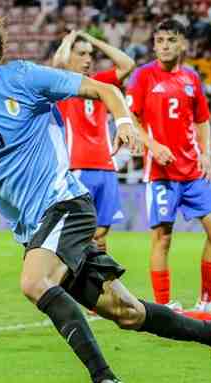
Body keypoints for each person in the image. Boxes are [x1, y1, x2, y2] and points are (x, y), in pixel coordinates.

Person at [0, 9, 211, 383]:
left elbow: (105, 89)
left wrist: (123, 123)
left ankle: (106, 379)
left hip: (65, 203)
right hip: (32, 226)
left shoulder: (22, 78)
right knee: (128, 313)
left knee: (34, 281)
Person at [126, 19, 211, 313]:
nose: (165, 46)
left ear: (182, 44)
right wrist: (153, 146)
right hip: (161, 174)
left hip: (194, 170)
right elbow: (131, 120)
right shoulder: (144, 76)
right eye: (159, 41)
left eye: (171, 40)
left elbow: (202, 120)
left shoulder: (192, 78)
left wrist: (206, 153)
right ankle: (163, 307)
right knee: (163, 237)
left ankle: (206, 301)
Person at [52, 30, 135, 252]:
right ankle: (70, 282)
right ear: (69, 56)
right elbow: (58, 62)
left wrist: (94, 41)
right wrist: (68, 39)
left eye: (90, 55)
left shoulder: (100, 83)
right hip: (77, 166)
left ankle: (99, 284)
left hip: (106, 166)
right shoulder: (60, 84)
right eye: (81, 54)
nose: (88, 59)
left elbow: (127, 64)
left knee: (101, 233)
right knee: (79, 231)